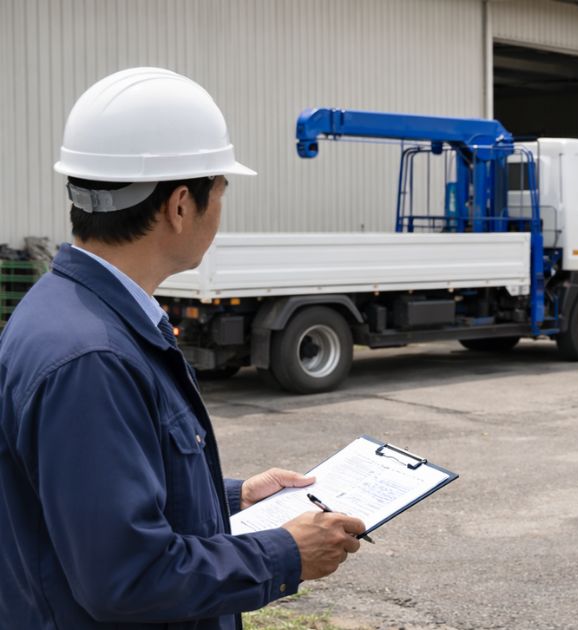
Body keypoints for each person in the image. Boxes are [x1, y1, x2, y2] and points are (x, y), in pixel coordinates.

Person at [0, 68, 365, 629]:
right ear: (179, 205)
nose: (220, 205)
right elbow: (128, 577)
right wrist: (286, 553)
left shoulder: (69, 315)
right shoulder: (92, 358)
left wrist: (235, 497)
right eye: (219, 189)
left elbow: (91, 497)